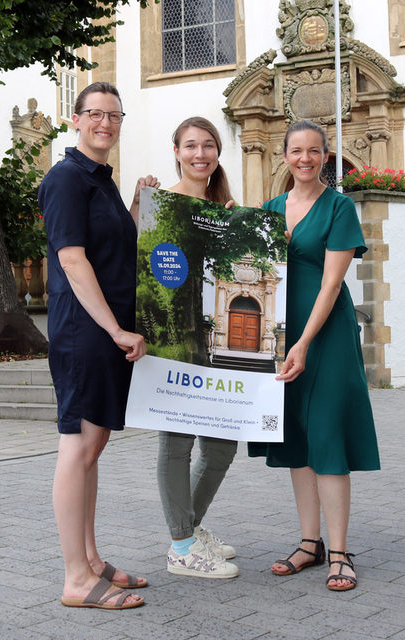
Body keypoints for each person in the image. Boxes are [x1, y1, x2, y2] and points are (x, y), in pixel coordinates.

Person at [38, 81, 159, 610]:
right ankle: (75, 580)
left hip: (105, 329)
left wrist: (135, 204)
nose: (105, 123)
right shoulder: (65, 178)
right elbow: (72, 260)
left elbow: (114, 250)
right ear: (75, 119)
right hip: (84, 332)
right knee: (78, 448)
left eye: (114, 115)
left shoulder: (100, 180)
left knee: (94, 449)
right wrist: (114, 330)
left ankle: (90, 560)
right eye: (95, 114)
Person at [248, 119, 380, 592]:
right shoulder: (268, 209)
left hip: (323, 336)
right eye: (295, 151)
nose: (304, 158)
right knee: (297, 439)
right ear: (284, 156)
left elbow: (330, 283)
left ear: (326, 157)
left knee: (327, 435)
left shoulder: (340, 207)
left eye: (313, 151)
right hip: (280, 337)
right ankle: (309, 543)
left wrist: (302, 343)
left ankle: (340, 551)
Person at [157, 117, 240, 579]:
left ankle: (190, 528)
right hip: (175, 338)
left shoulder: (227, 210)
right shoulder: (161, 205)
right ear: (176, 150)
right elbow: (145, 269)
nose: (200, 154)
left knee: (223, 444)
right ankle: (182, 546)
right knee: (176, 444)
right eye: (191, 146)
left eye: (208, 146)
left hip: (221, 342)